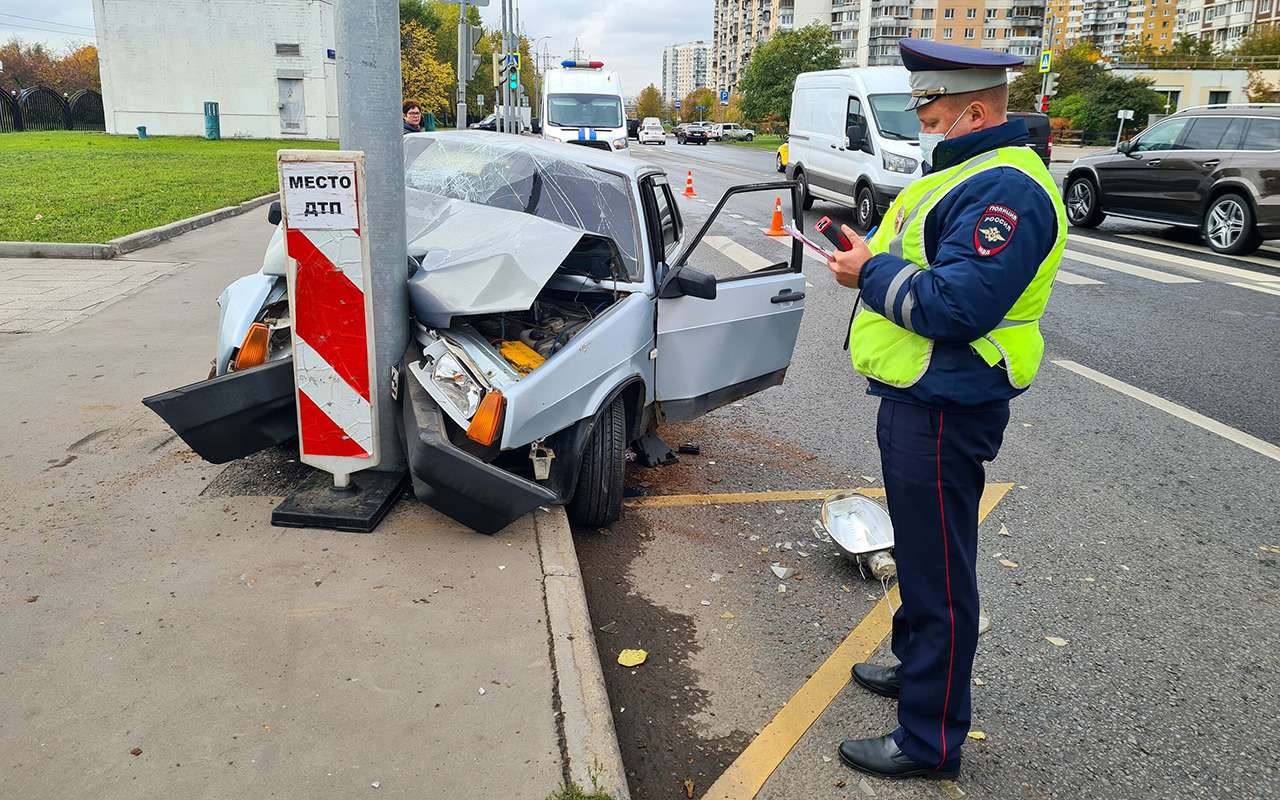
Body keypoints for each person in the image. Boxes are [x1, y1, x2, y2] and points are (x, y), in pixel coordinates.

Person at [826, 38, 1067, 781]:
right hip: (922, 392)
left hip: (947, 399)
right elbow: (918, 259)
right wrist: (866, 258)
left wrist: (869, 273)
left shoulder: (1007, 191)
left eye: (931, 115)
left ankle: (928, 740)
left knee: (938, 571)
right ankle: (916, 664)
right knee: (923, 551)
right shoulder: (963, 173)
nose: (924, 127)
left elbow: (957, 305)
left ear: (975, 112)